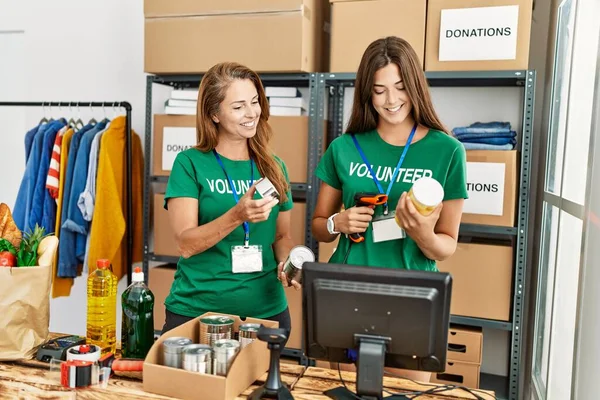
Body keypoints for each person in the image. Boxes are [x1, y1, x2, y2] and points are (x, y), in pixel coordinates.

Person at [311, 37, 468, 381]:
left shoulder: (448, 152)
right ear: (367, 92)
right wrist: (338, 222)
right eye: (379, 90)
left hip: (412, 297)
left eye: (400, 87)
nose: (392, 100)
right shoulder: (344, 148)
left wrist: (422, 233)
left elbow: (447, 245)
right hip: (345, 289)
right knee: (334, 389)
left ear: (415, 86)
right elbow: (319, 226)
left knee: (404, 391)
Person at [162, 62, 300, 339]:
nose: (252, 113)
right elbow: (185, 244)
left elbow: (282, 235)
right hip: (198, 313)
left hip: (266, 313)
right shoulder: (190, 163)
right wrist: (237, 215)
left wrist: (287, 262)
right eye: (238, 107)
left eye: (255, 102)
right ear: (214, 114)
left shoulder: (275, 167)